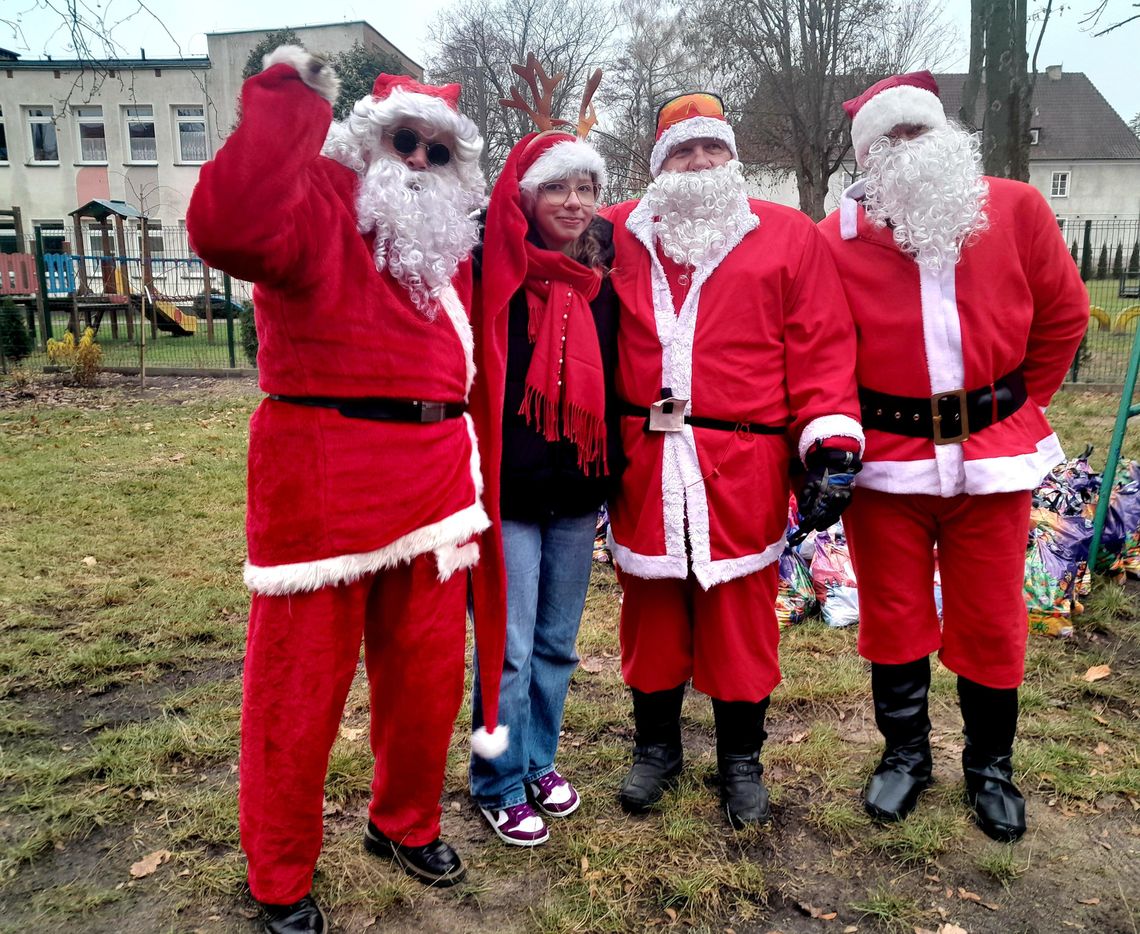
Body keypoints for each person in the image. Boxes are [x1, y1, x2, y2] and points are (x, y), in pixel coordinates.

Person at [186, 47, 508, 934]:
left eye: (437, 150)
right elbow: (227, 227)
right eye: (404, 141)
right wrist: (290, 99)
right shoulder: (318, 200)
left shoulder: (446, 240)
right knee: (298, 694)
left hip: (438, 478)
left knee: (428, 679)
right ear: (367, 141)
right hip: (323, 478)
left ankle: (403, 822)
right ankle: (280, 874)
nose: (418, 161)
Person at [817, 71, 1088, 842]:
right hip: (887, 462)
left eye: (917, 133)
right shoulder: (830, 237)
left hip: (991, 457)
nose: (905, 150)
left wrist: (1016, 406)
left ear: (945, 136)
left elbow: (1065, 314)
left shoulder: (1016, 208)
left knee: (992, 617)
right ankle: (905, 756)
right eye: (886, 140)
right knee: (895, 615)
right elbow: (821, 343)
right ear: (865, 157)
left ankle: (989, 768)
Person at [601, 92, 864, 829]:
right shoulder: (614, 231)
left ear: (733, 156)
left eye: (711, 148)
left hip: (743, 460)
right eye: (682, 151)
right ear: (659, 165)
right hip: (642, 459)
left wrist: (832, 445)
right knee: (649, 613)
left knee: (740, 617)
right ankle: (656, 750)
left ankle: (740, 762)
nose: (699, 162)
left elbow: (820, 348)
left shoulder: (787, 236)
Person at [470, 122, 620, 846]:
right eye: (556, 186)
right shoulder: (492, 271)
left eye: (585, 187)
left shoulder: (600, 283)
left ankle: (537, 761)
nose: (572, 200)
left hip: (577, 491)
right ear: (525, 198)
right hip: (508, 490)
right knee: (510, 646)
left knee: (558, 644)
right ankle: (495, 779)